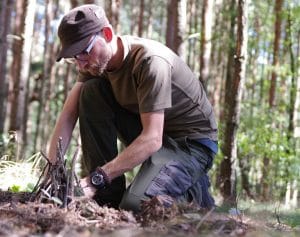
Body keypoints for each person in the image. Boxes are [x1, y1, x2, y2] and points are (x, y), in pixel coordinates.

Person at [48, 4, 218, 212]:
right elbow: (68, 114)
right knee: (90, 91)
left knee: (137, 206)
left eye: (84, 52)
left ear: (108, 34)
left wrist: (96, 179)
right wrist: (51, 173)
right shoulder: (94, 63)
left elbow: (152, 138)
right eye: (74, 57)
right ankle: (107, 197)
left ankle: (195, 190)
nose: (81, 64)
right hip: (154, 133)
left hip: (191, 144)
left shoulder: (150, 62)